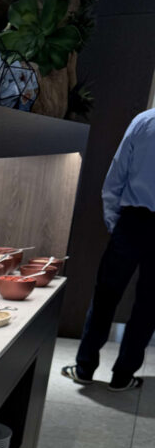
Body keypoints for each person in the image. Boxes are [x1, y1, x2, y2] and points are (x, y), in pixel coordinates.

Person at [63, 108, 155, 391]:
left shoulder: (144, 121)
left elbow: (116, 175)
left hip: (132, 221)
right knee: (149, 306)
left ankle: (84, 368)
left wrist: (116, 224)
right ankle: (123, 376)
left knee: (106, 296)